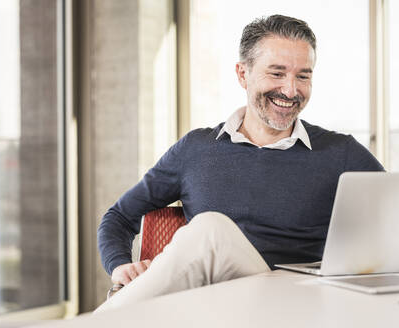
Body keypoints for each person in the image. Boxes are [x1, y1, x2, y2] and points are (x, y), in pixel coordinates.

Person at [95, 14, 384, 312]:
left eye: (303, 76)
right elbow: (118, 216)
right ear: (243, 74)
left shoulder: (341, 152)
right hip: (210, 307)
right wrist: (119, 266)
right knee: (209, 231)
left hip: (295, 305)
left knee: (209, 228)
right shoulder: (196, 149)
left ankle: (104, 320)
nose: (290, 90)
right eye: (277, 73)